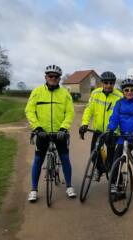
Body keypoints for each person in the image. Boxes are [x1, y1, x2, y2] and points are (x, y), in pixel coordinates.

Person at [25, 64, 76, 202]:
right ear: (45, 77)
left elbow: (70, 112)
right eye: (50, 76)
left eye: (56, 76)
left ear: (59, 78)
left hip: (60, 133)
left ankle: (69, 186)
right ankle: (34, 189)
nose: (53, 78)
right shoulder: (37, 92)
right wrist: (37, 128)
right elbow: (29, 111)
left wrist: (64, 128)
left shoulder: (65, 93)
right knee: (38, 160)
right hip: (42, 133)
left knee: (65, 158)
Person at [79, 71, 123, 181]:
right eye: (106, 82)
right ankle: (98, 169)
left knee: (111, 160)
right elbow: (89, 110)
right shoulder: (95, 93)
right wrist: (84, 124)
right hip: (98, 131)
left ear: (114, 84)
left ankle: (113, 177)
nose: (108, 85)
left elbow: (122, 116)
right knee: (93, 153)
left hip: (113, 132)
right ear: (102, 83)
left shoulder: (119, 96)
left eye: (111, 83)